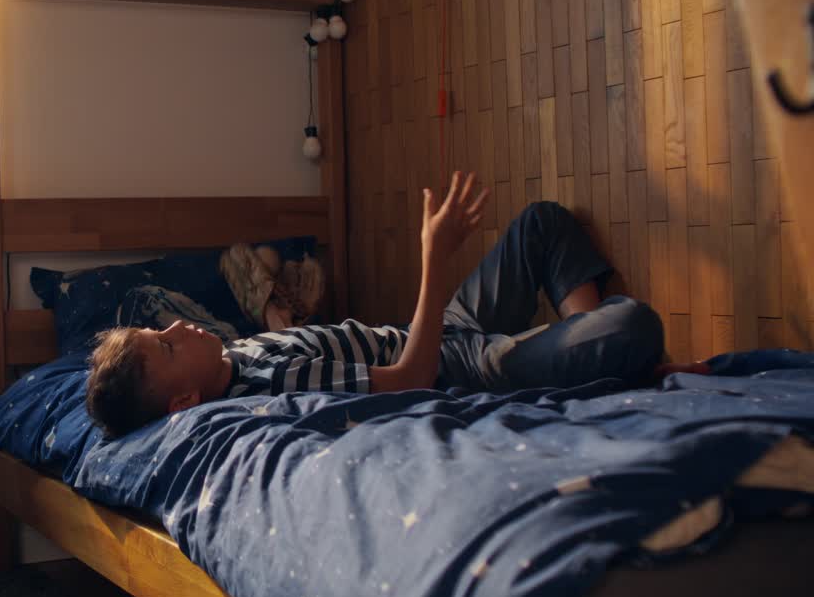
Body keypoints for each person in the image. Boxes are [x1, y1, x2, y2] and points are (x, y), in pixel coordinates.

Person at [86, 171, 667, 438]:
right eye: (166, 344)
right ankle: (591, 355)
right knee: (632, 324)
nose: (179, 327)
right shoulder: (273, 385)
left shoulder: (236, 353)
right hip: (453, 366)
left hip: (436, 329)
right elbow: (413, 377)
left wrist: (269, 304)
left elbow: (249, 304)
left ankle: (581, 350)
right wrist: (432, 256)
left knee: (541, 221)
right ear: (185, 399)